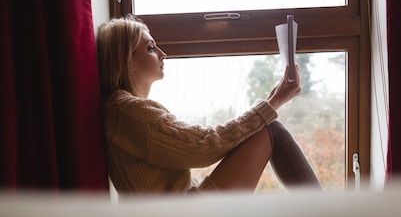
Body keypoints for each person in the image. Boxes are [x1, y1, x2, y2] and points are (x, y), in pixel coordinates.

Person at [96, 16, 321, 194]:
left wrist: (271, 102)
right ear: (128, 61)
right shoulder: (128, 112)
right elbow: (203, 146)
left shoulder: (123, 111)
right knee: (272, 131)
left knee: (267, 130)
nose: (163, 54)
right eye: (151, 48)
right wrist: (274, 101)